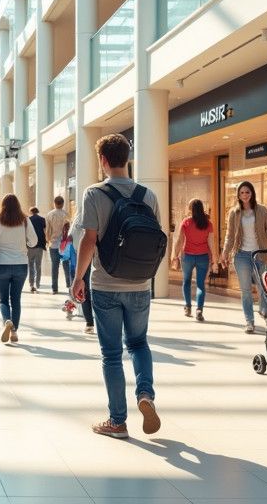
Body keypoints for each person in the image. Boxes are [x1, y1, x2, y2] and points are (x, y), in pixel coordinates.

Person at [71, 134, 162, 440]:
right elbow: (158, 239)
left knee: (111, 354)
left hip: (105, 284)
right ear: (127, 158)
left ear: (103, 161)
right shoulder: (148, 195)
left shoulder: (93, 194)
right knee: (138, 343)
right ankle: (145, 393)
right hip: (139, 284)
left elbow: (88, 240)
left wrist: (78, 278)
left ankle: (118, 421)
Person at [221, 181, 267, 334]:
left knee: (263, 287)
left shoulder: (262, 210)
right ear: (238, 194)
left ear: (252, 193)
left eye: (247, 192)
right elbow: (230, 236)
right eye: (242, 193)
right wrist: (225, 252)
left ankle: (264, 311)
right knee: (246, 291)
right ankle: (249, 322)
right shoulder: (234, 212)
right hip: (241, 255)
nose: (245, 195)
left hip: (261, 254)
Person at [0, 194, 37, 344]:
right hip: (21, 264)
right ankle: (14, 332)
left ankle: (7, 320)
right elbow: (34, 242)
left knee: (3, 300)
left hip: (1, 265)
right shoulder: (25, 220)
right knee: (16, 299)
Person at [171, 198, 216, 322]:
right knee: (201, 284)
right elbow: (211, 243)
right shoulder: (208, 223)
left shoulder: (186, 222)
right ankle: (199, 310)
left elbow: (179, 240)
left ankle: (188, 307)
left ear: (191, 209)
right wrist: (214, 260)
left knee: (186, 282)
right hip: (203, 256)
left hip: (188, 256)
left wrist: (174, 255)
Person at [45, 197, 70, 294]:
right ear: (63, 204)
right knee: (66, 265)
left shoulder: (49, 215)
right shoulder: (66, 214)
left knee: (54, 267)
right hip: (64, 244)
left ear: (54, 203)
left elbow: (47, 230)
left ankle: (54, 288)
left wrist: (48, 241)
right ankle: (69, 285)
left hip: (53, 244)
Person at [27, 207, 47, 293]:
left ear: (31, 212)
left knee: (30, 264)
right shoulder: (42, 220)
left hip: (30, 245)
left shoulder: (28, 220)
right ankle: (38, 283)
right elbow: (44, 231)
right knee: (38, 265)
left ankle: (31, 283)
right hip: (40, 245)